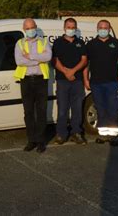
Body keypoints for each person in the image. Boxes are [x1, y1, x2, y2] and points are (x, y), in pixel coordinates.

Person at [84, 19, 118, 146]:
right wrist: (86, 79)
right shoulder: (91, 44)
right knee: (101, 109)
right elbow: (86, 63)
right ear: (97, 29)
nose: (103, 30)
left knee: (113, 109)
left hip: (112, 83)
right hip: (96, 83)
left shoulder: (116, 43)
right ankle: (103, 135)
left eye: (105, 27)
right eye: (100, 27)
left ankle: (113, 136)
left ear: (109, 29)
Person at [14, 18, 52, 153]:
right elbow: (19, 61)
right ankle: (31, 140)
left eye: (32, 27)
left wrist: (29, 56)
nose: (30, 30)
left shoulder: (44, 41)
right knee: (28, 112)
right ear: (24, 29)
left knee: (41, 112)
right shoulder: (19, 43)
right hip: (26, 81)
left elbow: (48, 57)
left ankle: (41, 141)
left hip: (41, 80)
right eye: (28, 28)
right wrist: (37, 59)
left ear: (36, 27)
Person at [52, 18, 88, 145]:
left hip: (77, 81)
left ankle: (76, 133)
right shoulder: (57, 42)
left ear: (76, 28)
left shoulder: (81, 43)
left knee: (77, 109)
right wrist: (66, 72)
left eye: (73, 27)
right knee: (62, 109)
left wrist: (72, 71)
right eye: (69, 27)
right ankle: (61, 134)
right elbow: (55, 60)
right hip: (62, 81)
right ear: (64, 27)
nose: (71, 29)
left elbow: (84, 60)